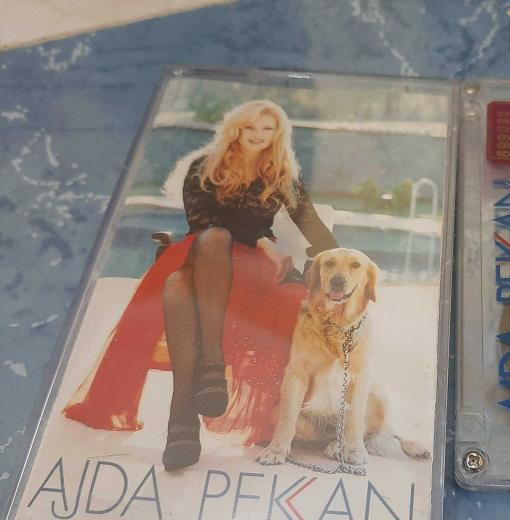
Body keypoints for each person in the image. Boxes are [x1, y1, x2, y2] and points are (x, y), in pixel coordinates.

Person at [63, 100, 337, 471]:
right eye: (250, 127)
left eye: (268, 128)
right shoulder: (204, 166)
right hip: (202, 255)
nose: (258, 135)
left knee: (179, 286)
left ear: (278, 134)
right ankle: (209, 371)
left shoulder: (283, 174)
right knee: (210, 243)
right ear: (236, 128)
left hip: (248, 272)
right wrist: (263, 242)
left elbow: (312, 224)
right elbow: (201, 220)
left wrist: (343, 265)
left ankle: (182, 419)